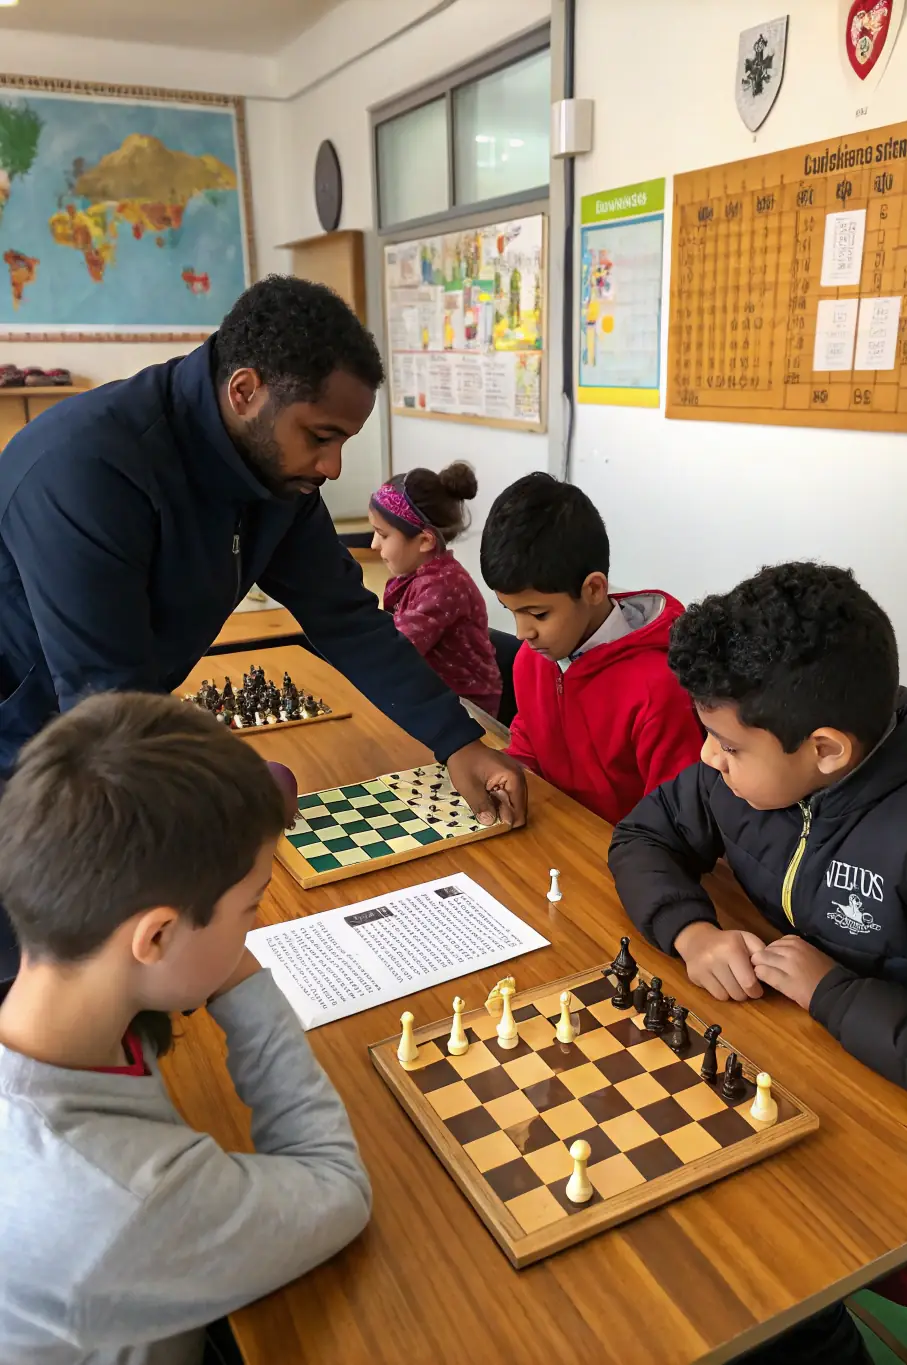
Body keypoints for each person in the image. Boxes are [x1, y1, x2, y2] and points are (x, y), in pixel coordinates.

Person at [609, 561, 907, 1362]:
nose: (707, 758)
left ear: (826, 748)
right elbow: (641, 835)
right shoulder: (748, 777)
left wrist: (833, 992)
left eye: (726, 744)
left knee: (716, 1268)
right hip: (802, 1074)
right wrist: (692, 933)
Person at [0, 274, 525, 815]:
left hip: (113, 734)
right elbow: (106, 700)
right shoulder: (87, 471)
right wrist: (227, 783)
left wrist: (457, 741)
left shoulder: (272, 473)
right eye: (321, 437)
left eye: (344, 441)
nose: (332, 467)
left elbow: (347, 618)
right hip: (24, 744)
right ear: (245, 391)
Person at [0, 692, 371, 1365]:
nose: (254, 928)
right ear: (158, 933)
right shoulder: (122, 1201)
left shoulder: (64, 1007)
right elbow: (338, 1186)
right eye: (251, 907)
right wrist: (241, 980)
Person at [479, 472, 704, 825]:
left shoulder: (659, 689)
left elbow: (678, 819)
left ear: (594, 589)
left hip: (625, 856)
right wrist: (512, 770)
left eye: (538, 613)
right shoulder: (533, 660)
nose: (523, 632)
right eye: (512, 612)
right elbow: (528, 739)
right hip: (556, 832)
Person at [369, 462, 502, 717]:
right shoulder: (419, 577)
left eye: (382, 535)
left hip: (467, 713)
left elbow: (396, 651)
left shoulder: (443, 587)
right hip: (431, 696)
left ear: (424, 541)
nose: (374, 544)